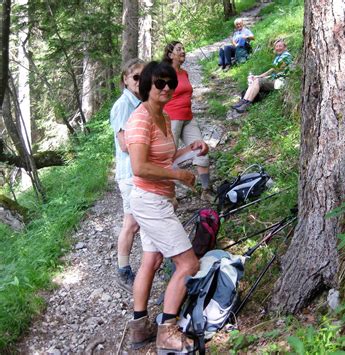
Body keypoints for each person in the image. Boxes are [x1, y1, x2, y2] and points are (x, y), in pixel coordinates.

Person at [125, 61, 207, 353]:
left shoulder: (163, 115)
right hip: (149, 201)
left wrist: (191, 149)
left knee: (152, 260)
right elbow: (139, 166)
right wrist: (178, 175)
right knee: (187, 263)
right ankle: (167, 331)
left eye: (170, 82)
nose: (167, 88)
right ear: (147, 86)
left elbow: (165, 159)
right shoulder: (141, 119)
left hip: (158, 198)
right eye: (160, 83)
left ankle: (139, 327)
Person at [109, 58, 144, 293]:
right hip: (130, 173)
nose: (140, 82)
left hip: (137, 170)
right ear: (125, 80)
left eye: (144, 77)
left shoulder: (138, 103)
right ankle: (123, 270)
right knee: (131, 223)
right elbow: (123, 144)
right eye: (135, 77)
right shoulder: (124, 105)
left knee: (134, 221)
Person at [162, 41, 213, 202]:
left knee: (201, 149)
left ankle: (206, 190)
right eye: (179, 49)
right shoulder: (164, 74)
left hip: (188, 118)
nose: (183, 51)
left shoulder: (184, 73)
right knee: (168, 157)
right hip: (172, 119)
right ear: (170, 55)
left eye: (183, 48)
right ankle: (169, 196)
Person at [232, 39, 292, 113]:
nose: (278, 48)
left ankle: (248, 104)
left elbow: (276, 69)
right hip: (276, 79)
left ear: (285, 47)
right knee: (255, 80)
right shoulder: (278, 57)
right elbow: (274, 73)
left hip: (281, 81)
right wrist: (258, 76)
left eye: (280, 46)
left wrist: (260, 76)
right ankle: (244, 101)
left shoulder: (287, 56)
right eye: (276, 46)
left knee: (258, 80)